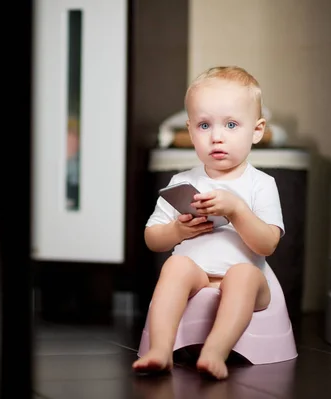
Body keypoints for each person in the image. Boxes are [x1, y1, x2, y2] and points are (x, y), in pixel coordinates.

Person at [132, 66, 285, 379]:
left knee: (242, 274)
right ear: (190, 132)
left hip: (250, 282)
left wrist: (237, 211)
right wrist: (177, 230)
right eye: (204, 125)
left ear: (256, 131)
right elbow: (152, 239)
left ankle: (217, 350)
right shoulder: (182, 182)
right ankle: (161, 349)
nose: (217, 137)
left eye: (231, 124)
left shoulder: (260, 184)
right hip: (198, 278)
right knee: (174, 266)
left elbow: (268, 244)